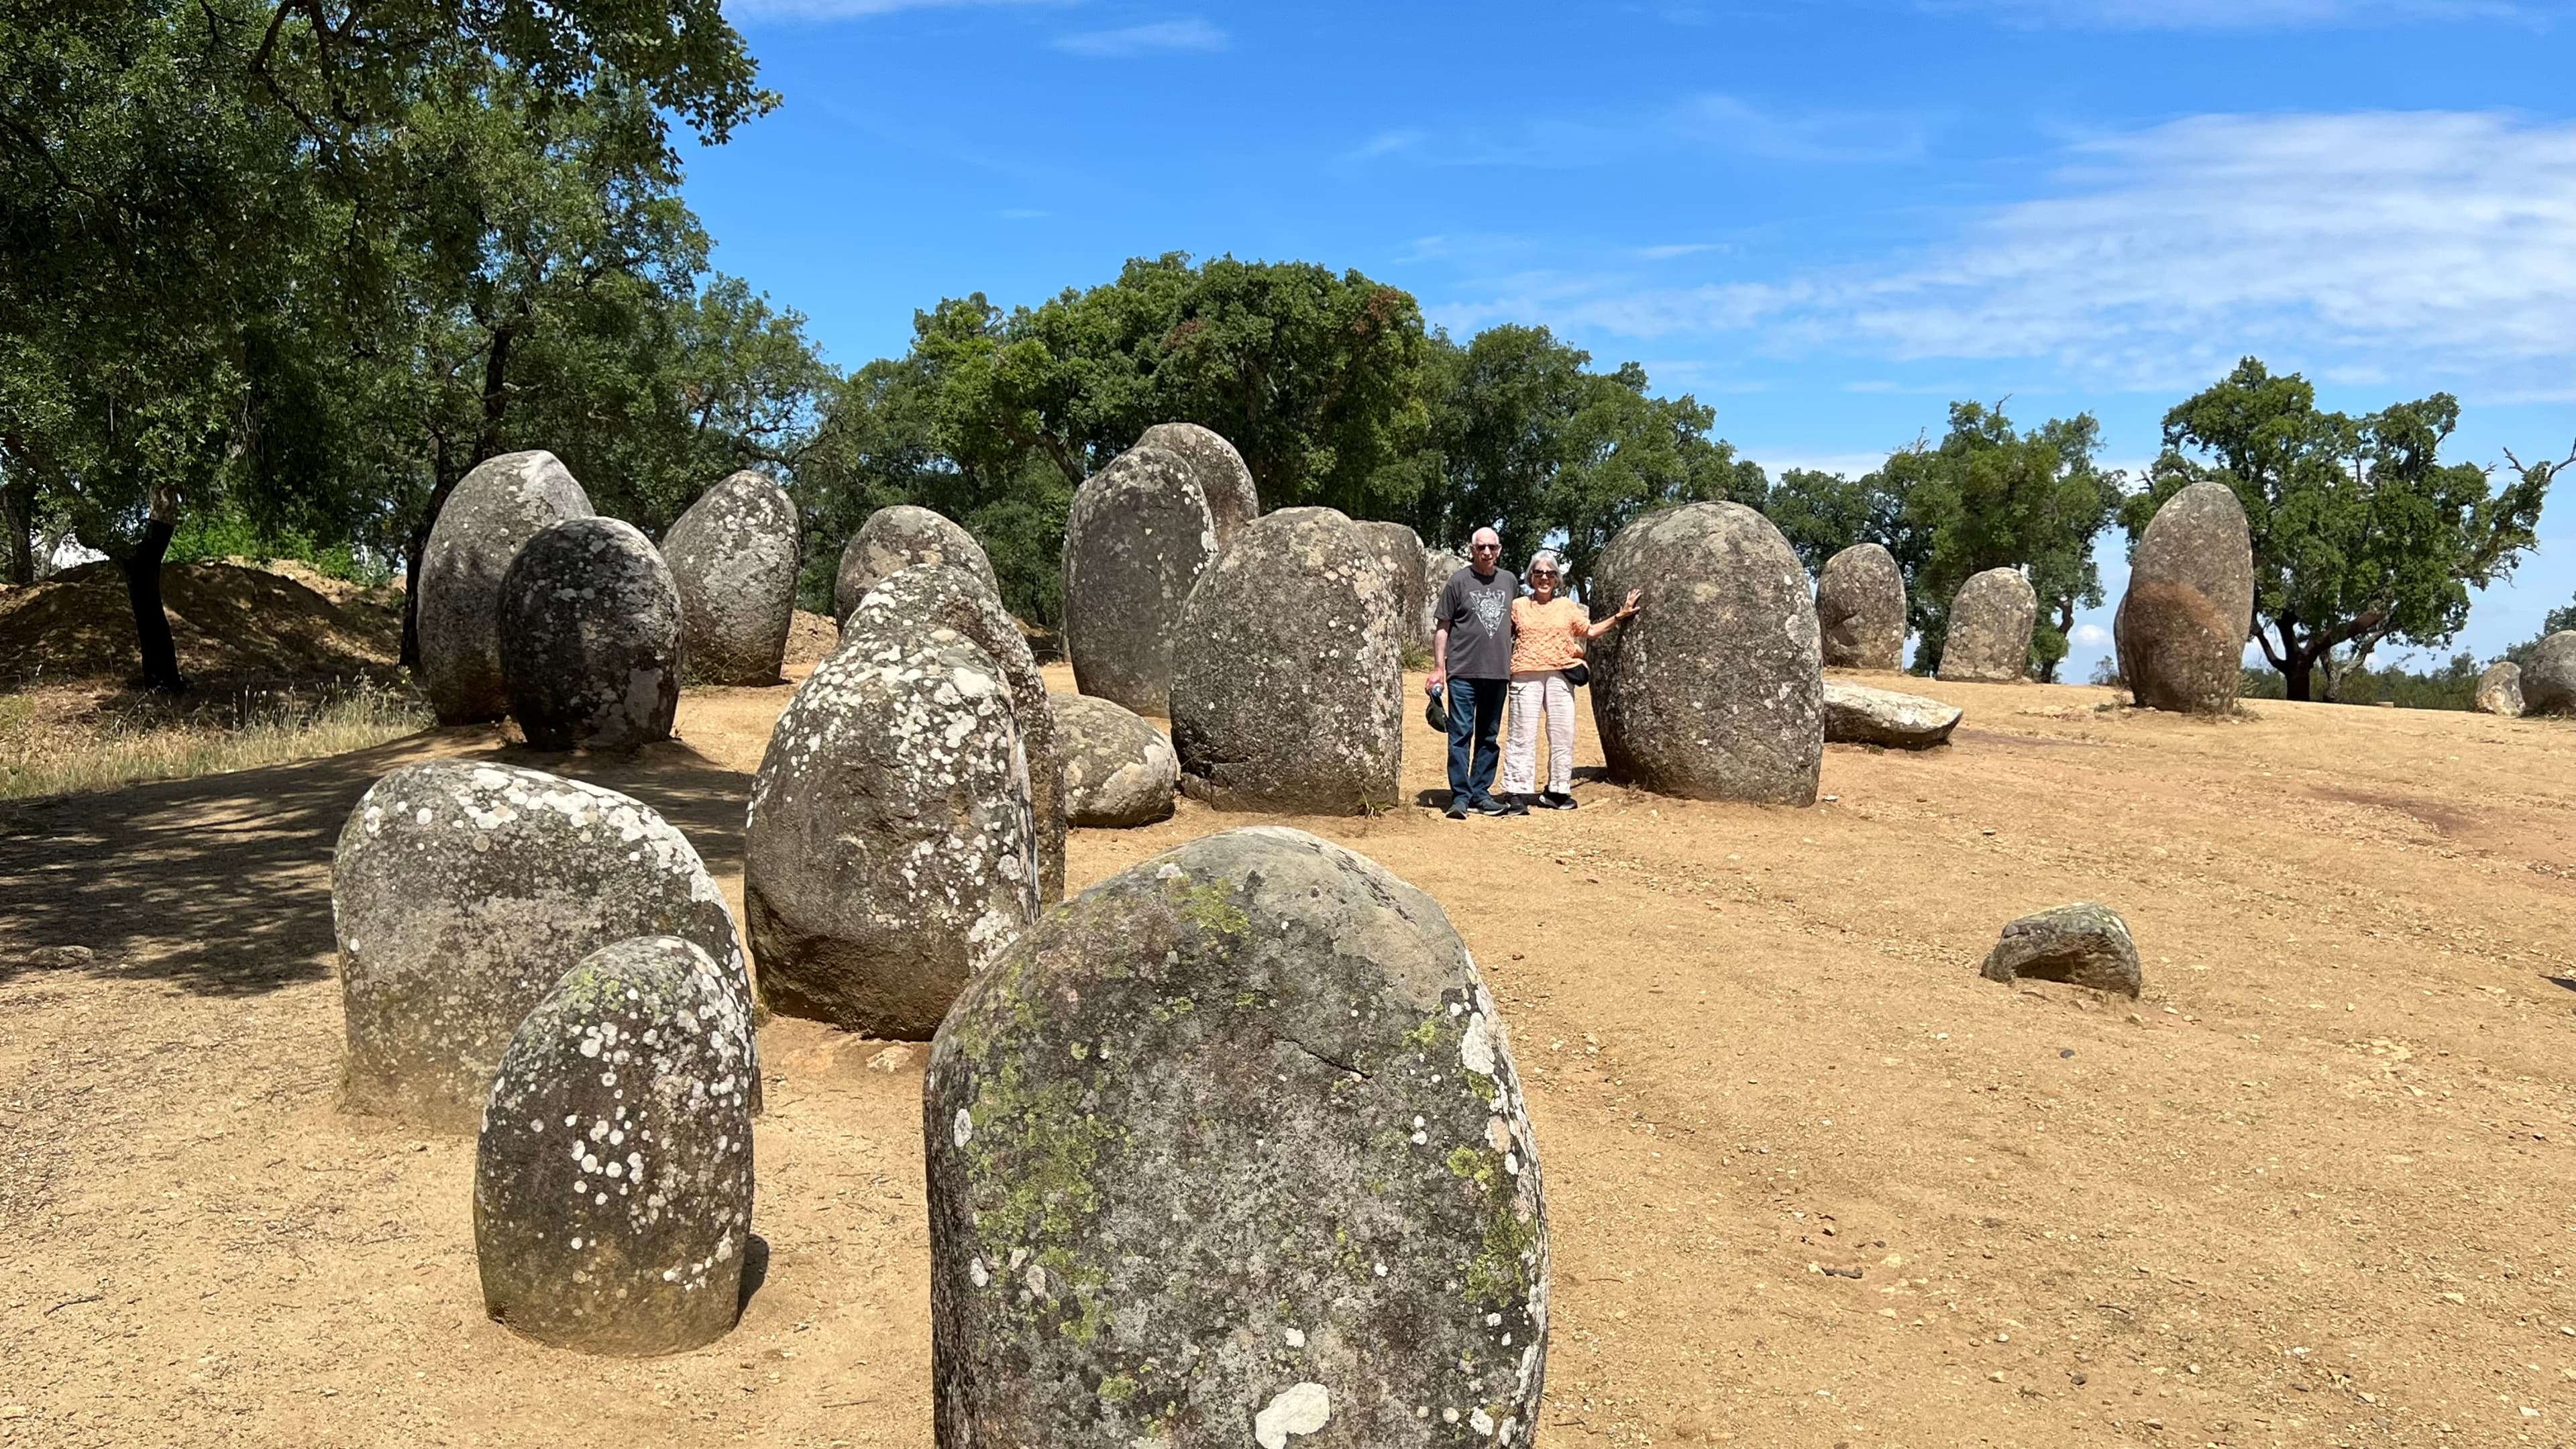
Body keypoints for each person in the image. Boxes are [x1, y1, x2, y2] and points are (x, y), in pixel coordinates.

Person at [1500, 550, 1639, 810]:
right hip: (1525, 673)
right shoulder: (1518, 606)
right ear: (1531, 577)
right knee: (1521, 734)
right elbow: (1501, 636)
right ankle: (1516, 791)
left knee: (1563, 733)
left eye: (1550, 573)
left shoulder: (1566, 606)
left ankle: (1557, 790)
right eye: (1539, 573)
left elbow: (1590, 631)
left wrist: (1620, 615)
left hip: (1561, 674)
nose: (1544, 578)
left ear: (1557, 579)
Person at [1427, 527, 1517, 818]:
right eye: (1481, 547)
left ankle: (1481, 793)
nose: (1487, 552)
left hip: (1498, 673)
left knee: (1489, 736)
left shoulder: (1509, 581)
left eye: (1492, 547)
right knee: (1460, 735)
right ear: (1472, 550)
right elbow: (1443, 628)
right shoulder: (1459, 581)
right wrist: (1439, 669)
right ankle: (1460, 797)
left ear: (1499, 549)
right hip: (1463, 672)